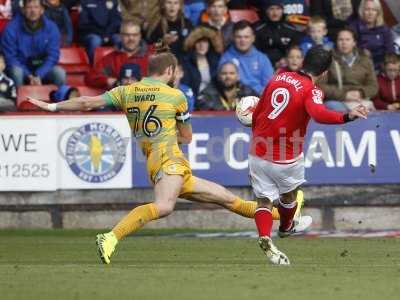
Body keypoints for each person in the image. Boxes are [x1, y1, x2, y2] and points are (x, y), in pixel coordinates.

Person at [28, 43, 310, 265]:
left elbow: (88, 102)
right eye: (175, 72)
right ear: (170, 71)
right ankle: (111, 237)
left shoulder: (126, 91)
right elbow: (186, 137)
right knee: (163, 207)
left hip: (158, 162)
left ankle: (289, 215)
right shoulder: (176, 96)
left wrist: (52, 107)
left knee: (229, 199)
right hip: (170, 160)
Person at [250, 46, 369, 265]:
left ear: (304, 62)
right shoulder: (311, 89)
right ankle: (286, 228)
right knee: (290, 196)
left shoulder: (280, 76)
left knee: (264, 200)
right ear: (324, 72)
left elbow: (259, 109)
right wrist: (347, 116)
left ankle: (265, 236)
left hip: (257, 151)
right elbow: (319, 114)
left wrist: (256, 132)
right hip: (286, 156)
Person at [1, 0, 66, 87]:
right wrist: (29, 75)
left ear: (42, 10)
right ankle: (17, 99)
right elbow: (10, 58)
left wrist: (39, 74)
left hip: (43, 70)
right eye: (29, 7)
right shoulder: (11, 29)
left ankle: (59, 99)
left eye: (36, 7)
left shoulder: (51, 28)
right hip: (21, 70)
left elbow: (53, 56)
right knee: (16, 72)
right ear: (23, 10)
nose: (33, 11)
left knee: (60, 73)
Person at [318, 27, 378, 112]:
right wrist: (344, 95)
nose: (344, 43)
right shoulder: (328, 60)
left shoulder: (365, 60)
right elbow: (320, 86)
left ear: (354, 42)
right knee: (332, 107)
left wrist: (360, 93)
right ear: (336, 42)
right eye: (341, 40)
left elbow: (373, 86)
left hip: (360, 100)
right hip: (337, 101)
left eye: (347, 39)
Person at [86, 21, 154, 90]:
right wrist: (109, 80)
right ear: (120, 36)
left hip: (148, 97)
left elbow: (163, 75)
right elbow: (90, 77)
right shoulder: (111, 58)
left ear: (140, 36)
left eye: (135, 35)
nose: (131, 38)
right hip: (119, 98)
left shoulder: (151, 55)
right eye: (127, 35)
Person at [219, 20, 274, 95]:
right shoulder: (225, 59)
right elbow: (224, 86)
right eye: (239, 37)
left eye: (246, 37)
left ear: (253, 38)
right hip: (235, 100)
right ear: (233, 38)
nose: (242, 40)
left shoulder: (262, 59)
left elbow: (269, 86)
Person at [254, 0, 302, 69]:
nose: (275, 13)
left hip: (287, 65)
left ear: (282, 10)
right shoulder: (258, 29)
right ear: (266, 11)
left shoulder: (291, 29)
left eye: (278, 9)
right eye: (271, 9)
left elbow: (295, 50)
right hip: (263, 65)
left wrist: (286, 60)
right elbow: (255, 53)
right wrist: (271, 63)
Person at [350, 0, 394, 69]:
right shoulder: (354, 27)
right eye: (367, 9)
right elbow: (348, 49)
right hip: (360, 66)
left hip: (382, 67)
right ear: (362, 11)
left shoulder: (384, 28)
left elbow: (390, 51)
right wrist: (360, 51)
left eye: (374, 10)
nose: (370, 13)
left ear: (378, 12)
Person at [181, 26, 223, 97]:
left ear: (209, 44)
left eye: (205, 42)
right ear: (193, 44)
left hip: (215, 101)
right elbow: (186, 88)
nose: (202, 45)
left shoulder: (215, 60)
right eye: (198, 42)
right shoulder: (187, 62)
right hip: (195, 101)